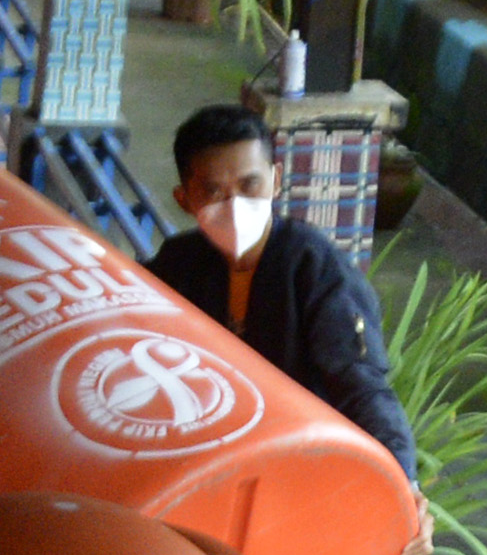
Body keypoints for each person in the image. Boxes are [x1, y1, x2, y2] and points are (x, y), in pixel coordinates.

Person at [150, 104, 418, 473]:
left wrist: (404, 485)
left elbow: (362, 386)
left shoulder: (316, 267)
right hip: (207, 459)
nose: (235, 205)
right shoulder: (178, 264)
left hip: (300, 461)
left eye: (250, 185)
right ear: (185, 200)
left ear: (275, 180)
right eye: (213, 192)